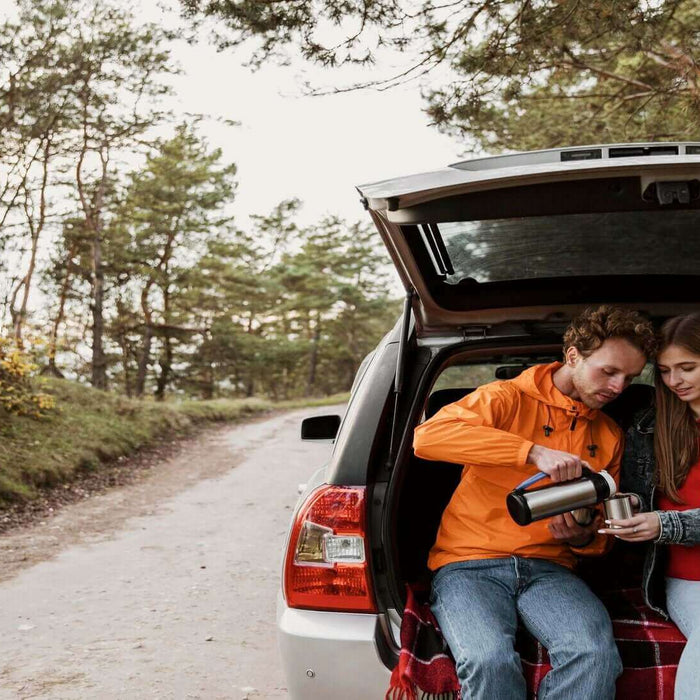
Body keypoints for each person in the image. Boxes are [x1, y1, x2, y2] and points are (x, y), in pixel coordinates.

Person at [413, 305, 657, 700]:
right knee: (488, 660)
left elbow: (600, 534)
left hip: (551, 568)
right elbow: (428, 438)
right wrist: (532, 452)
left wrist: (580, 537)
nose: (617, 388)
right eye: (608, 371)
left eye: (629, 378)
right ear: (574, 355)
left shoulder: (609, 433)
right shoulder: (504, 398)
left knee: (594, 656)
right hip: (469, 564)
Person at [599, 312, 700, 700]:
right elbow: (638, 496)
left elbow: (665, 521)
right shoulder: (648, 426)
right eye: (665, 371)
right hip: (687, 579)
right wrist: (625, 510)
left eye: (687, 368)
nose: (674, 381)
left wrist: (665, 524)